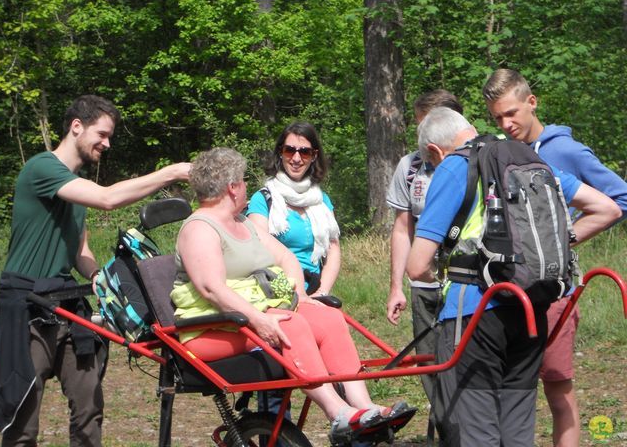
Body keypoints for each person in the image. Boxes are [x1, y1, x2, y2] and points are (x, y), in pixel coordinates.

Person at [406, 107, 620, 446]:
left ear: (434, 151)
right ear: (471, 128)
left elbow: (417, 266)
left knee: (476, 429)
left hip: (472, 313)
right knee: (517, 428)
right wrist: (553, 246)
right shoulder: (527, 160)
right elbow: (607, 208)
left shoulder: (453, 166)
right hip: (531, 307)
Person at [171, 148, 414, 443]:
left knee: (327, 317)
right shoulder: (200, 228)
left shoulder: (243, 223)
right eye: (244, 181)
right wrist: (259, 319)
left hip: (248, 318)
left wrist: (301, 294)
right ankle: (338, 412)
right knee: (290, 323)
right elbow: (212, 288)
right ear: (232, 187)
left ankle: (364, 407)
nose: (248, 186)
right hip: (210, 328)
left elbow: (286, 259)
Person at [0, 95, 192, 447]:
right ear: (76, 126)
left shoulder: (73, 184)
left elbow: (81, 250)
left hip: (65, 301)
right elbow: (108, 198)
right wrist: (172, 172)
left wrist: (97, 275)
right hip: (28, 302)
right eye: (102, 133)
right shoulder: (42, 168)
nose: (107, 143)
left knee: (88, 406)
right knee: (22, 417)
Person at [483, 68, 627, 446]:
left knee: (557, 389)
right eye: (498, 117)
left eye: (512, 113)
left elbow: (619, 199)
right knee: (512, 388)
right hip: (512, 292)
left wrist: (562, 240)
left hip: (555, 293)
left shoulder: (565, 150)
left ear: (532, 103)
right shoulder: (501, 152)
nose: (506, 123)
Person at [386, 89, 463, 405]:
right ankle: (444, 425)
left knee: (464, 362)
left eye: (425, 126)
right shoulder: (410, 166)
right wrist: (396, 287)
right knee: (428, 363)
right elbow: (403, 228)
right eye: (417, 126)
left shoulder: (475, 162)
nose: (420, 135)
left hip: (464, 285)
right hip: (424, 284)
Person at [247, 120, 341, 297]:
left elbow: (333, 250)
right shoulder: (262, 200)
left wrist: (322, 292)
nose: (296, 158)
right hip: (276, 292)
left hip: (314, 290)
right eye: (290, 150)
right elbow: (257, 254)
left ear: (314, 156)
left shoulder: (322, 201)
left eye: (304, 152)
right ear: (280, 153)